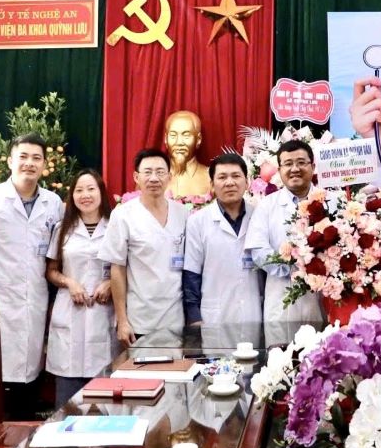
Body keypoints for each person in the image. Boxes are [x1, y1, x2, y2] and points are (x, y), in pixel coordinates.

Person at [0, 132, 64, 419]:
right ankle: (0, 440)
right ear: (10, 161)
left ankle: (26, 443)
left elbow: (56, 256)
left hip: (36, 300)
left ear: (45, 164)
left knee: (31, 374)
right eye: (23, 157)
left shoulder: (53, 203)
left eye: (36, 158)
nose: (29, 163)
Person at [98, 149, 186, 346]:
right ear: (136, 177)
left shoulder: (183, 213)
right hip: (140, 320)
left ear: (170, 177)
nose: (154, 178)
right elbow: (117, 269)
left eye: (160, 172)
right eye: (147, 172)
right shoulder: (123, 215)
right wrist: (122, 321)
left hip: (177, 319)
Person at [45, 169, 117, 408]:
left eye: (91, 189)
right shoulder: (62, 229)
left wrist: (111, 283)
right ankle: (64, 447)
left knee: (104, 405)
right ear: (72, 196)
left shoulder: (116, 226)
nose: (85, 195)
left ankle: (105, 447)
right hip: (70, 312)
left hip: (104, 314)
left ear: (101, 193)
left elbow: (127, 268)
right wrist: (70, 282)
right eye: (79, 190)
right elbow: (51, 271)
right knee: (67, 408)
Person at [244, 140, 323, 324]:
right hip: (281, 302)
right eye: (288, 164)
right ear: (279, 170)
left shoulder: (331, 201)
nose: (294, 169)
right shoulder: (266, 206)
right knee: (281, 352)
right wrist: (293, 267)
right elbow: (258, 250)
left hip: (323, 298)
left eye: (301, 162)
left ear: (312, 166)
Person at [183, 153, 262, 325]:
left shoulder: (259, 215)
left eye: (236, 176)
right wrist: (194, 316)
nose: (230, 182)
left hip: (253, 313)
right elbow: (191, 273)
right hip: (213, 316)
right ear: (212, 185)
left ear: (247, 182)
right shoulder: (197, 221)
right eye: (222, 177)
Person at [164, 110, 210, 197]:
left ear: (198, 139)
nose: (179, 142)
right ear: (166, 139)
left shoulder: (210, 177)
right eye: (173, 135)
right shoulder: (151, 178)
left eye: (186, 135)